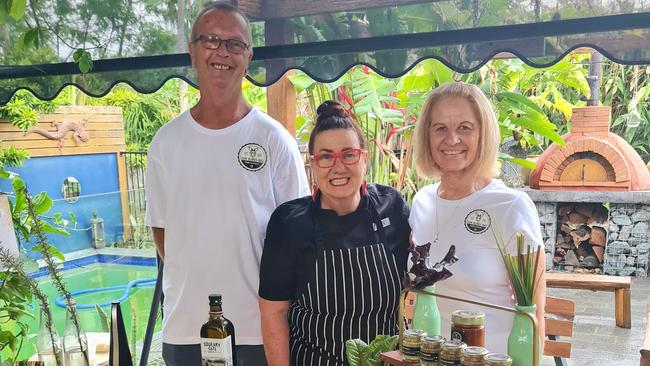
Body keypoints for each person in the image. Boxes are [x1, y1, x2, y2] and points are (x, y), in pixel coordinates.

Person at [144, 3, 310, 365]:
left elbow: (300, 234)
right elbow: (162, 233)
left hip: (259, 328)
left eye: (235, 44)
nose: (222, 52)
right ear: (192, 51)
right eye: (211, 40)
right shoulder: (166, 143)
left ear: (248, 57)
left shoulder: (274, 140)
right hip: (185, 327)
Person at [258, 101, 411, 366]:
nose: (338, 167)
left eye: (348, 154)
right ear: (313, 164)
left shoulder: (392, 207)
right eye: (326, 157)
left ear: (363, 158)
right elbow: (274, 312)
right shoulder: (289, 223)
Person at [409, 82, 546, 353]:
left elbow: (534, 315)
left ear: (483, 135)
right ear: (427, 136)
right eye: (440, 129)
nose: (452, 139)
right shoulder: (422, 201)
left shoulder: (511, 206)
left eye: (464, 127)